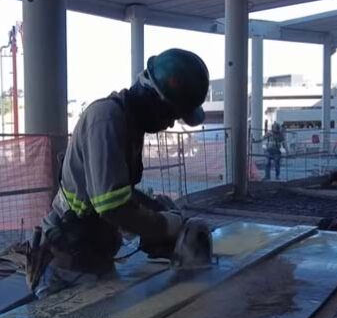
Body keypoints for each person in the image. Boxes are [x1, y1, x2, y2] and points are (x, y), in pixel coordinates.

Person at [29, 49, 210, 298]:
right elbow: (112, 206)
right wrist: (166, 225)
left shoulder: (129, 124)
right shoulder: (106, 119)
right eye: (170, 114)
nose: (169, 124)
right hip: (68, 259)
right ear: (152, 98)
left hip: (94, 254)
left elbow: (120, 193)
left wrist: (157, 209)